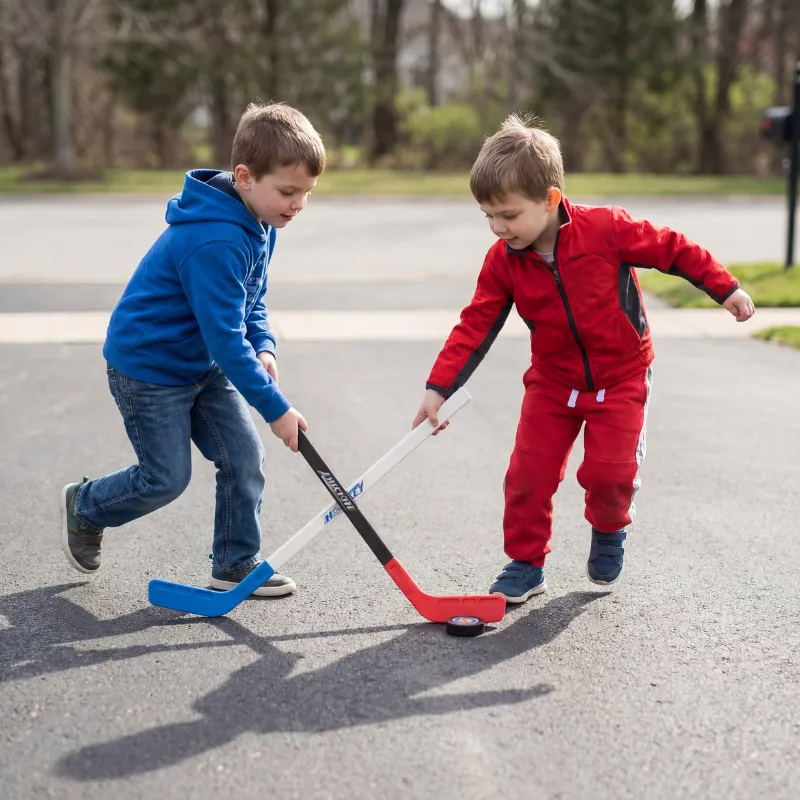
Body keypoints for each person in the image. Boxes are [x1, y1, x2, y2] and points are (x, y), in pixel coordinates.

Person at [412, 113, 755, 603]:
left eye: (508, 215)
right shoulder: (503, 261)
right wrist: (438, 387)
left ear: (550, 199)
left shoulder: (606, 229)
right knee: (527, 476)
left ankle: (610, 529)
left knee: (610, 473)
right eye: (488, 216)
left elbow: (673, 249)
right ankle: (526, 563)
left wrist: (726, 288)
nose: (498, 228)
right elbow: (475, 325)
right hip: (552, 382)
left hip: (622, 376)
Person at [61, 101, 325, 598]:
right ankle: (86, 506)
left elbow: (252, 298)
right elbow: (225, 339)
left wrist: (264, 345)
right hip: (149, 369)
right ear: (244, 177)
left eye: (307, 192)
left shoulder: (261, 221)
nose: (298, 204)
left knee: (243, 457)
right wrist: (276, 409)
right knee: (164, 478)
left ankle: (234, 563)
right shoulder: (215, 240)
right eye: (288, 191)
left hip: (201, 364)